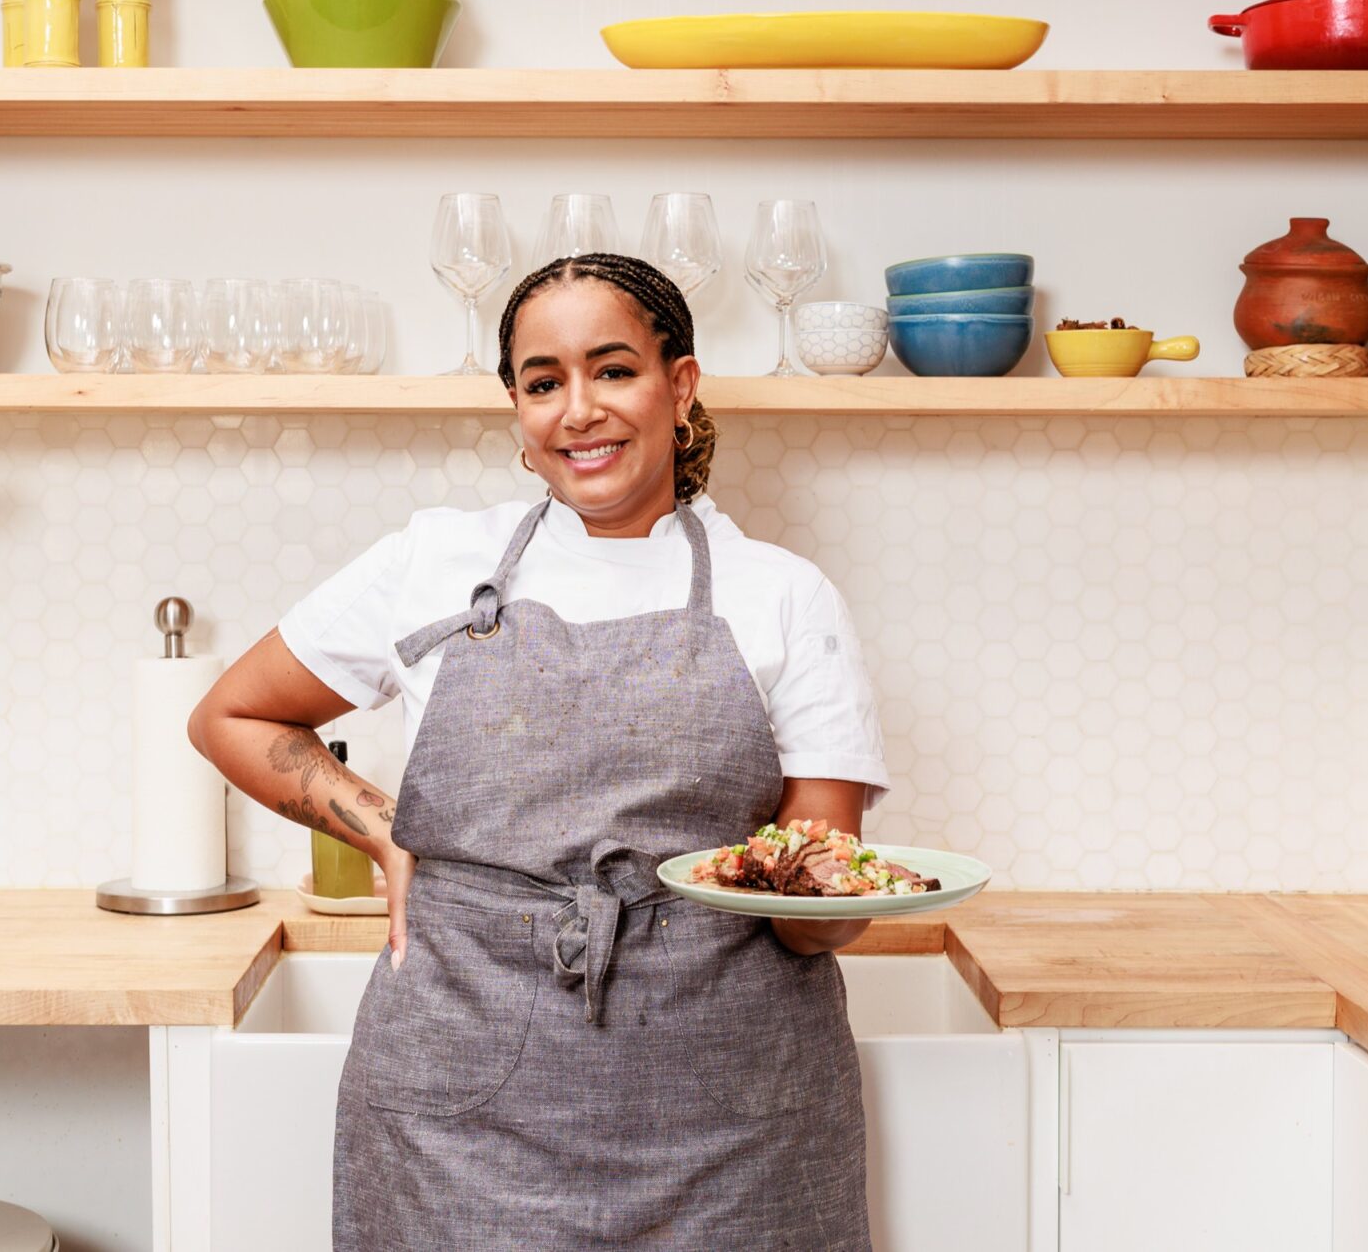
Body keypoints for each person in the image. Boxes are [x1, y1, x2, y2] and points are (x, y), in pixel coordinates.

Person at [188, 253, 889, 1249]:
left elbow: (813, 903)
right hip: (456, 1100)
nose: (577, 410)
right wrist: (388, 834)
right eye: (542, 381)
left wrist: (824, 897)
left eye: (612, 370)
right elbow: (235, 715)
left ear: (678, 385)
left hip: (727, 1108)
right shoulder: (432, 560)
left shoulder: (782, 595)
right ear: (516, 407)